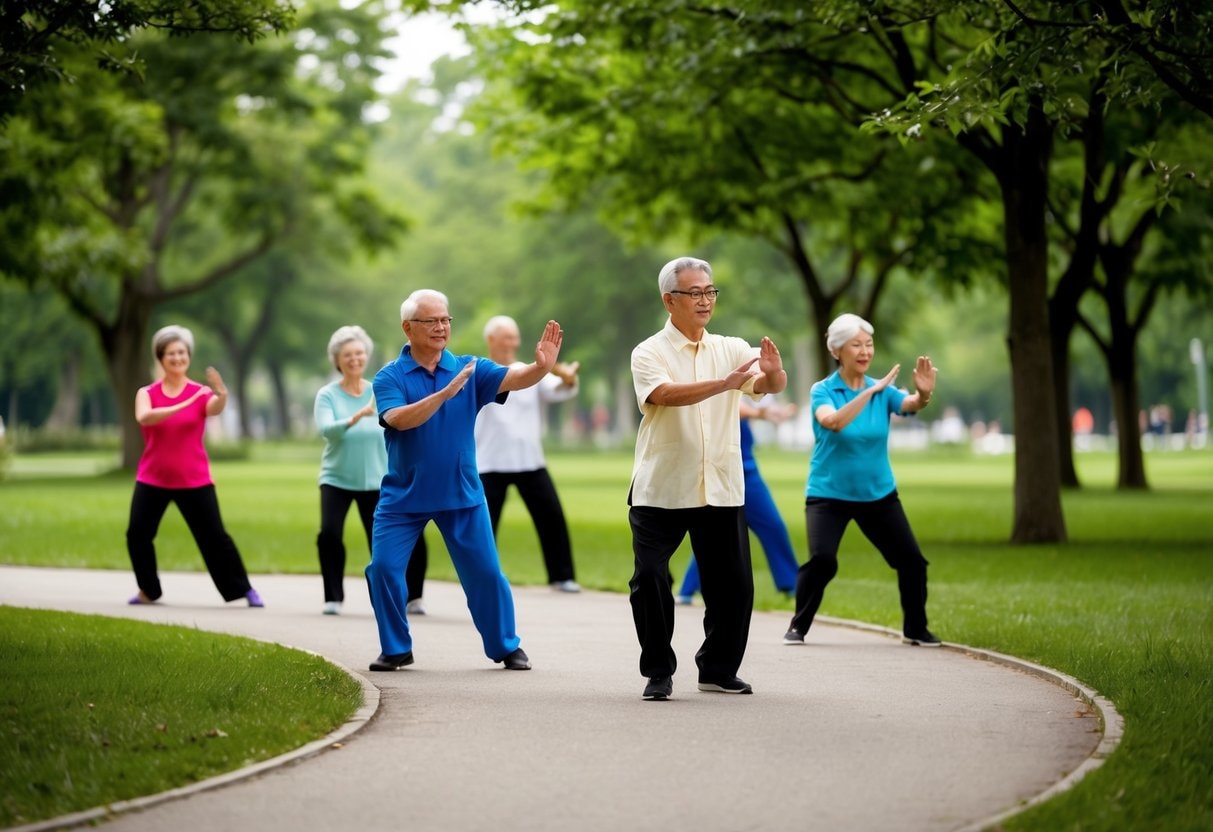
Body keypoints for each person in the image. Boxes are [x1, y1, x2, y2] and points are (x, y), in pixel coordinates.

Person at [364, 289, 564, 673]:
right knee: (384, 569)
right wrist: (443, 394)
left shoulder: (470, 367)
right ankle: (396, 648)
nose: (441, 327)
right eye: (431, 321)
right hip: (403, 498)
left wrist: (541, 368)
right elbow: (398, 419)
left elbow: (515, 377)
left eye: (445, 320)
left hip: (461, 494)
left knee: (487, 574)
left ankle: (506, 646)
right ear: (408, 327)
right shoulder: (389, 376)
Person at [628, 256, 787, 701]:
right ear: (669, 300)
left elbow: (768, 385)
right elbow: (662, 394)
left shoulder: (732, 347)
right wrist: (725, 384)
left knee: (734, 584)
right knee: (651, 579)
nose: (705, 300)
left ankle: (717, 669)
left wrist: (773, 372)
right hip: (661, 485)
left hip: (719, 483)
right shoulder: (649, 352)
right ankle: (658, 670)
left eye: (710, 291)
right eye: (694, 293)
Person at [784, 313, 939, 647]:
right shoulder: (823, 390)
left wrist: (923, 395)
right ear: (837, 350)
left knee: (912, 563)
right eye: (857, 344)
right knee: (823, 561)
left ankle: (915, 628)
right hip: (829, 494)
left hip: (878, 495)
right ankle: (798, 626)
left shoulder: (881, 390)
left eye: (869, 344)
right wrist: (872, 392)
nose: (865, 351)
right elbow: (833, 422)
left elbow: (910, 403)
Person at [126, 325, 263, 607]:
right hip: (153, 478)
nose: (177, 358)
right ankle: (149, 590)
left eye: (182, 352)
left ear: (188, 356)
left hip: (194, 479)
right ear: (161, 358)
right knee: (138, 535)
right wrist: (181, 403)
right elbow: (144, 417)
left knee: (215, 538)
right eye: (170, 353)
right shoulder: (147, 393)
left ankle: (244, 590)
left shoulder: (200, 393)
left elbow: (214, 407)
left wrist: (222, 393)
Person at [314, 325, 427, 616]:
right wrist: (356, 417)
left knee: (386, 543)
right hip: (336, 479)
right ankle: (333, 597)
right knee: (329, 534)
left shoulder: (379, 388)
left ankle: (408, 597)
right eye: (348, 355)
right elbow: (328, 430)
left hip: (378, 480)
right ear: (337, 360)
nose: (355, 359)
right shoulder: (328, 395)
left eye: (360, 353)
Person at [474, 315, 582, 593]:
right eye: (507, 337)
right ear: (491, 340)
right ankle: (480, 579)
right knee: (482, 526)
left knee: (551, 518)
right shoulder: (479, 372)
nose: (513, 342)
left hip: (529, 460)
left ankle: (562, 576)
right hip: (489, 461)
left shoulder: (527, 370)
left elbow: (556, 390)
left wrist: (568, 380)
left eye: (515, 337)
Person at [676, 399, 800, 604]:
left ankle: (794, 583)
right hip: (721, 471)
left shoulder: (747, 378)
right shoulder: (716, 377)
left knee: (769, 526)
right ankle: (688, 589)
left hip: (747, 471)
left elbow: (755, 400)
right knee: (716, 532)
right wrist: (762, 414)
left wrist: (771, 411)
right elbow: (726, 405)